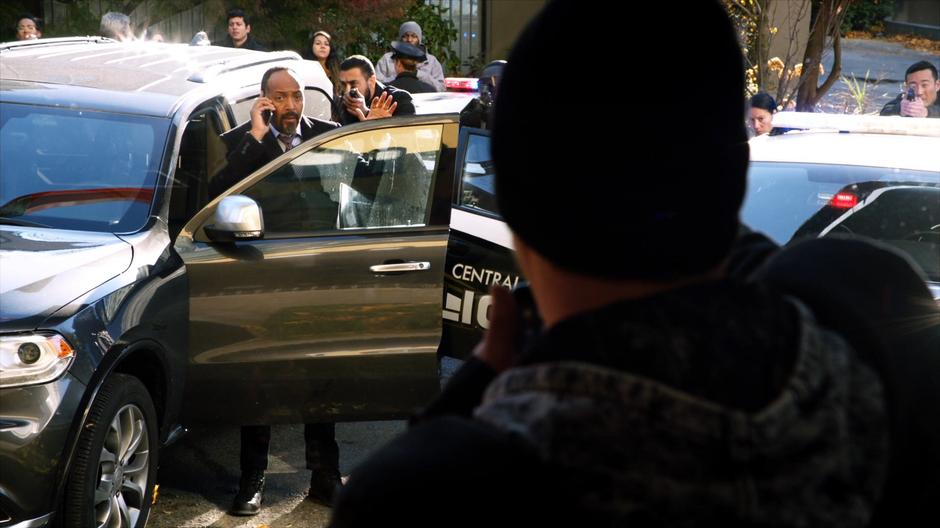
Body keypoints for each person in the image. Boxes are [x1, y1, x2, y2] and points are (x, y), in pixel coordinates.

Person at [329, 1, 891, 526]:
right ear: (736, 173)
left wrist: (466, 398)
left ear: (514, 194)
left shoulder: (425, 492)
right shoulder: (858, 395)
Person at [211, 67, 395, 516]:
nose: (292, 106)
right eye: (282, 98)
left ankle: (324, 477)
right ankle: (252, 479)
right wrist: (255, 139)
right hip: (263, 279)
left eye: (297, 97)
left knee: (320, 378)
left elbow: (367, 187)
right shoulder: (242, 141)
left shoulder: (327, 134)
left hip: (318, 276)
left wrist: (373, 137)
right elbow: (221, 195)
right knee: (263, 379)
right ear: (265, 100)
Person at [337, 55, 415, 125]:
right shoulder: (339, 104)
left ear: (371, 81)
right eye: (343, 84)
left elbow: (406, 135)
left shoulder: (400, 99)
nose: (347, 90)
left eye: (353, 84)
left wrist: (366, 112)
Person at [375, 21, 444, 92]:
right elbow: (376, 85)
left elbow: (441, 88)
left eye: (414, 36)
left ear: (419, 39)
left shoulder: (431, 61)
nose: (409, 40)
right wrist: (402, 76)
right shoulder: (387, 59)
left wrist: (419, 74)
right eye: (405, 36)